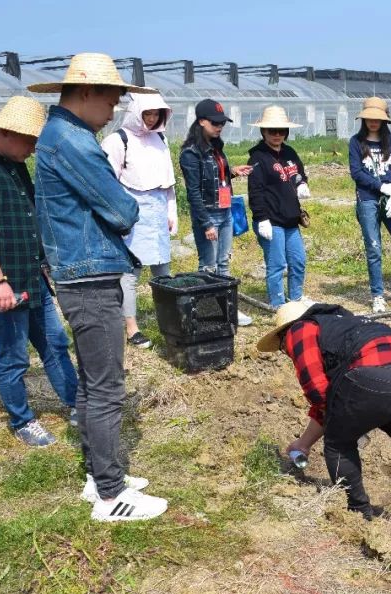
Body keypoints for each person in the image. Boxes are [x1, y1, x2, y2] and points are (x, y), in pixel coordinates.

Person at [29, 52, 167, 521]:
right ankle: (111, 496)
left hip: (78, 271)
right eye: (110, 99)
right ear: (86, 93)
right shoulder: (74, 142)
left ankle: (98, 475)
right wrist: (125, 208)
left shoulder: (61, 136)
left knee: (92, 380)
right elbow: (121, 210)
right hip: (89, 276)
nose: (113, 110)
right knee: (107, 386)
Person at [257, 301, 391, 549]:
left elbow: (318, 392)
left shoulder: (299, 329)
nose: (285, 350)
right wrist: (304, 443)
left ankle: (358, 514)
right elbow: (331, 402)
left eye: (282, 348)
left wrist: (341, 425)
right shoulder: (351, 325)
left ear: (283, 334)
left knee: (338, 444)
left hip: (375, 373)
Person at [0, 96, 78, 447]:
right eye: (30, 140)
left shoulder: (13, 164)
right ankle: (22, 420)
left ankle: (76, 403)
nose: (34, 148)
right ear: (6, 132)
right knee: (13, 355)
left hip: (31, 277)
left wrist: (43, 262)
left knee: (54, 343)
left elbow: (25, 217)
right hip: (4, 286)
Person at [101, 92, 178, 348]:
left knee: (163, 270)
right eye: (147, 114)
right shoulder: (117, 140)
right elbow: (106, 183)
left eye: (157, 114)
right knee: (130, 272)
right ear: (136, 113)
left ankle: (169, 319)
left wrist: (171, 212)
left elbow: (168, 183)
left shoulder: (160, 139)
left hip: (157, 211)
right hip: (132, 211)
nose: (152, 118)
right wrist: (117, 218)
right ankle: (132, 327)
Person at [178, 98, 255, 326]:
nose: (220, 126)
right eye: (215, 122)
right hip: (209, 215)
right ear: (201, 121)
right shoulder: (191, 153)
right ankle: (207, 311)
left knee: (224, 263)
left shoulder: (216, 148)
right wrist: (206, 224)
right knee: (208, 265)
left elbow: (215, 178)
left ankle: (227, 309)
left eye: (222, 122)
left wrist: (232, 172)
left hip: (225, 211)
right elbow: (193, 192)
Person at [348, 97, 391, 313]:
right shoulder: (356, 142)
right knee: (374, 248)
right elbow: (357, 173)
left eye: (377, 118)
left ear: (384, 121)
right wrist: (381, 187)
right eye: (369, 118)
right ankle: (377, 295)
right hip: (368, 200)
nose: (373, 122)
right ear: (364, 119)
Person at [247, 105, 310, 308]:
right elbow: (255, 190)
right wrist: (261, 217)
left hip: (291, 219)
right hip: (271, 220)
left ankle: (296, 299)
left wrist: (302, 183)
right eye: (271, 130)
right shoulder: (258, 157)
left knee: (298, 261)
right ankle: (278, 304)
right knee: (277, 264)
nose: (276, 134)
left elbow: (299, 172)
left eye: (281, 130)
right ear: (263, 131)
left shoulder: (289, 152)